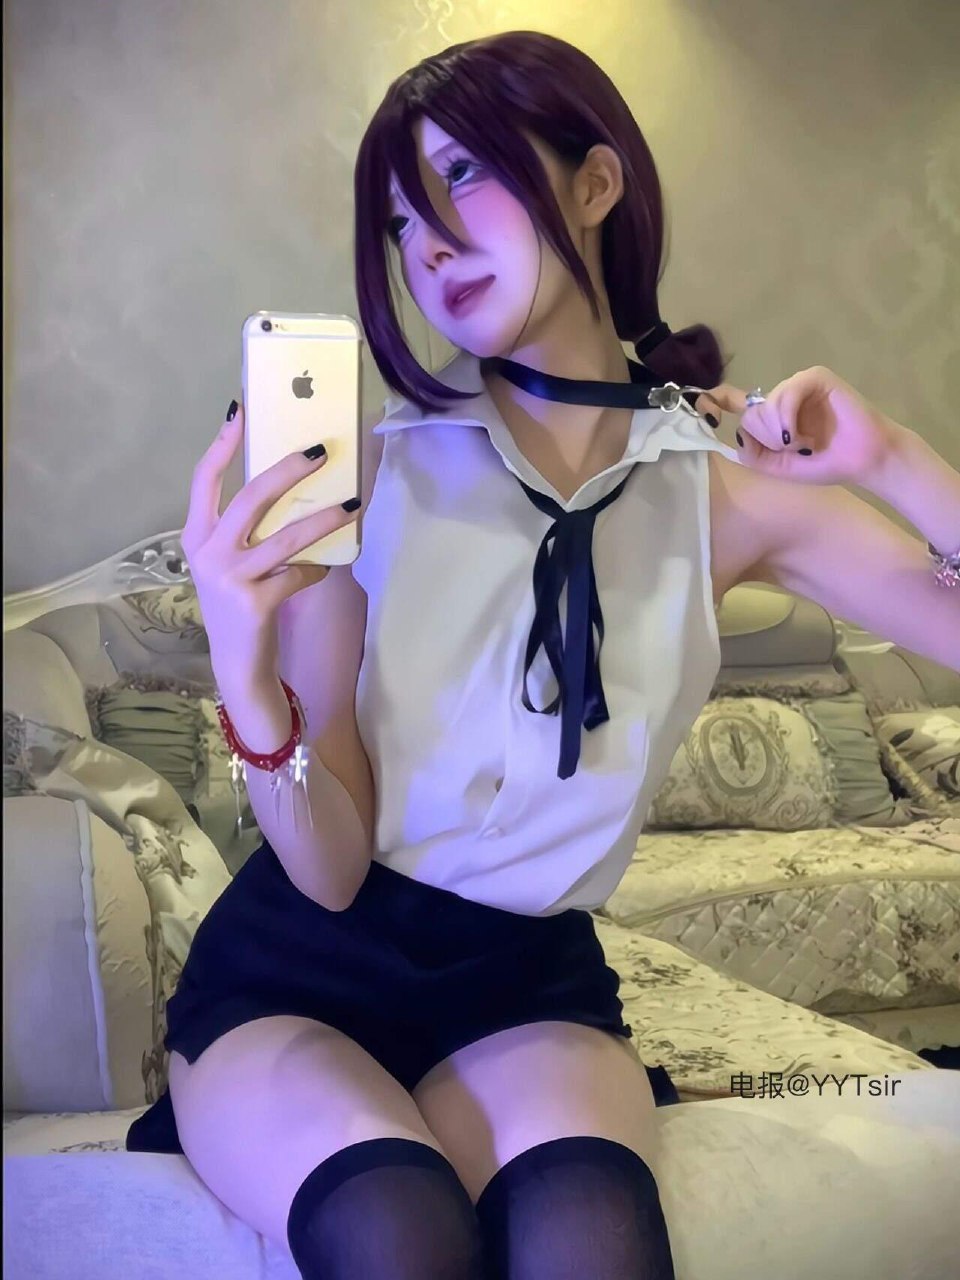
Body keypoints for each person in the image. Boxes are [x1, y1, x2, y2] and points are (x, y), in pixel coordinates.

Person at [126, 29, 960, 1279]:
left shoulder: (721, 485)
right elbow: (330, 870)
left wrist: (892, 458)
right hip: (301, 972)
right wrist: (249, 675)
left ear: (595, 181)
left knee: (593, 1245)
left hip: (526, 975)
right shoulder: (371, 473)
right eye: (400, 218)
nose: (429, 241)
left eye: (463, 175)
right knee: (396, 1232)